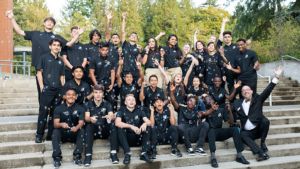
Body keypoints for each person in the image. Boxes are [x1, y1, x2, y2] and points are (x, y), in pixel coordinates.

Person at [5, 10, 83, 97]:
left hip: (55, 68)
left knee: (57, 95)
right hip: (41, 69)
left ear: (54, 25)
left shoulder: (57, 37)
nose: (50, 23)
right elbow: (19, 31)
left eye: (52, 22)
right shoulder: (35, 34)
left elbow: (69, 44)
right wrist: (12, 19)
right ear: (44, 23)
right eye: (48, 21)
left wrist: (77, 35)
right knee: (42, 95)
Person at [233, 66, 283, 161]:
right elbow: (230, 103)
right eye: (243, 90)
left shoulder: (258, 99)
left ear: (252, 91)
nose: (245, 91)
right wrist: (235, 89)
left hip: (258, 129)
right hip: (248, 132)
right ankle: (260, 153)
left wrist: (276, 76)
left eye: (247, 90)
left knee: (265, 121)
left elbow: (268, 90)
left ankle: (262, 142)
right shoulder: (237, 103)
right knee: (242, 134)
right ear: (242, 93)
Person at [201, 95, 249, 168]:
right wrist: (212, 109)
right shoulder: (204, 110)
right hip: (209, 134)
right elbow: (203, 115)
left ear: (213, 100)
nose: (209, 100)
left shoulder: (221, 110)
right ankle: (213, 157)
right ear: (205, 102)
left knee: (235, 129)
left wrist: (229, 111)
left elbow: (231, 123)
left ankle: (239, 155)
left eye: (210, 99)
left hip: (219, 132)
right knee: (211, 131)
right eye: (207, 100)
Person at [35, 39, 65, 143]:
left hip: (58, 91)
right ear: (50, 46)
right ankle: (39, 135)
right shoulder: (43, 57)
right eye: (54, 45)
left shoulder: (61, 61)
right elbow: (39, 73)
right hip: (47, 90)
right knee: (43, 113)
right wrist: (42, 86)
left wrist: (63, 89)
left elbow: (62, 76)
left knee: (54, 113)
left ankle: (50, 135)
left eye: (58, 45)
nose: (56, 47)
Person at [83, 85, 119, 166]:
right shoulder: (87, 104)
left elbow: (111, 115)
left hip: (104, 130)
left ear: (103, 94)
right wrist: (90, 119)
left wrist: (111, 117)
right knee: (88, 126)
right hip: (94, 130)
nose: (98, 94)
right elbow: (86, 118)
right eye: (96, 92)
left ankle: (113, 153)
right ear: (93, 94)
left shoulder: (107, 104)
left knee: (113, 126)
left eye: (100, 92)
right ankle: (88, 155)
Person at [51, 88, 85, 168]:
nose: (71, 96)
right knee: (55, 131)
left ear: (76, 97)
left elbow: (81, 122)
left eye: (73, 95)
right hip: (63, 134)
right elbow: (55, 124)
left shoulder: (80, 108)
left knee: (82, 130)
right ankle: (57, 158)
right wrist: (61, 124)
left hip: (74, 132)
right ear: (65, 96)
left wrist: (76, 127)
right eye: (69, 95)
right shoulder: (58, 108)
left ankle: (77, 156)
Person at [170, 87, 209, 156]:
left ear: (195, 104)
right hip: (183, 135)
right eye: (190, 101)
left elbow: (206, 113)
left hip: (193, 134)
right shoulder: (181, 108)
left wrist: (202, 115)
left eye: (193, 102)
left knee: (205, 124)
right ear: (187, 101)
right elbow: (173, 101)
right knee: (180, 126)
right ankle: (189, 148)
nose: (190, 102)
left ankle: (199, 147)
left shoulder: (197, 111)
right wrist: (172, 92)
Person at [115, 94, 152, 164]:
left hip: (137, 137)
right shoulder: (121, 110)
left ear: (135, 102)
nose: (131, 101)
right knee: (120, 128)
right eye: (129, 100)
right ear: (125, 102)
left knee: (148, 127)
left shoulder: (139, 111)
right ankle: (127, 154)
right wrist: (131, 126)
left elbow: (149, 122)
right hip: (126, 139)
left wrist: (145, 123)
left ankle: (143, 153)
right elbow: (117, 123)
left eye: (133, 100)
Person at [121, 12, 142, 83]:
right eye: (132, 35)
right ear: (129, 37)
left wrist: (140, 52)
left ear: (137, 39)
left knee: (135, 90)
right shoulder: (125, 44)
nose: (133, 36)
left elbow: (139, 60)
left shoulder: (138, 47)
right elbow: (123, 31)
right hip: (125, 70)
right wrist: (124, 19)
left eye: (135, 36)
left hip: (135, 71)